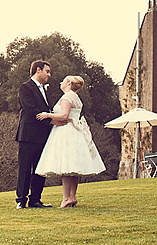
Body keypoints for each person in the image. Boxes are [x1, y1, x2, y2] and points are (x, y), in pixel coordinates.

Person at [35, 75, 105, 207]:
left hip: (66, 131)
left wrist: (47, 115)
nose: (61, 83)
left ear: (68, 83)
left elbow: (64, 116)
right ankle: (72, 196)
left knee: (66, 165)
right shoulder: (76, 97)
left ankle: (67, 197)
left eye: (63, 81)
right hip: (76, 132)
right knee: (73, 166)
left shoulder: (67, 97)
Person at [16, 60, 67, 208]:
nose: (49, 75)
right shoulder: (25, 88)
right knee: (25, 169)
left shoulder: (44, 90)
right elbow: (31, 110)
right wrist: (51, 121)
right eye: (47, 71)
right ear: (38, 70)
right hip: (27, 135)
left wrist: (53, 118)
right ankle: (21, 200)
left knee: (40, 169)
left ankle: (35, 200)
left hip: (43, 135)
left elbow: (46, 111)